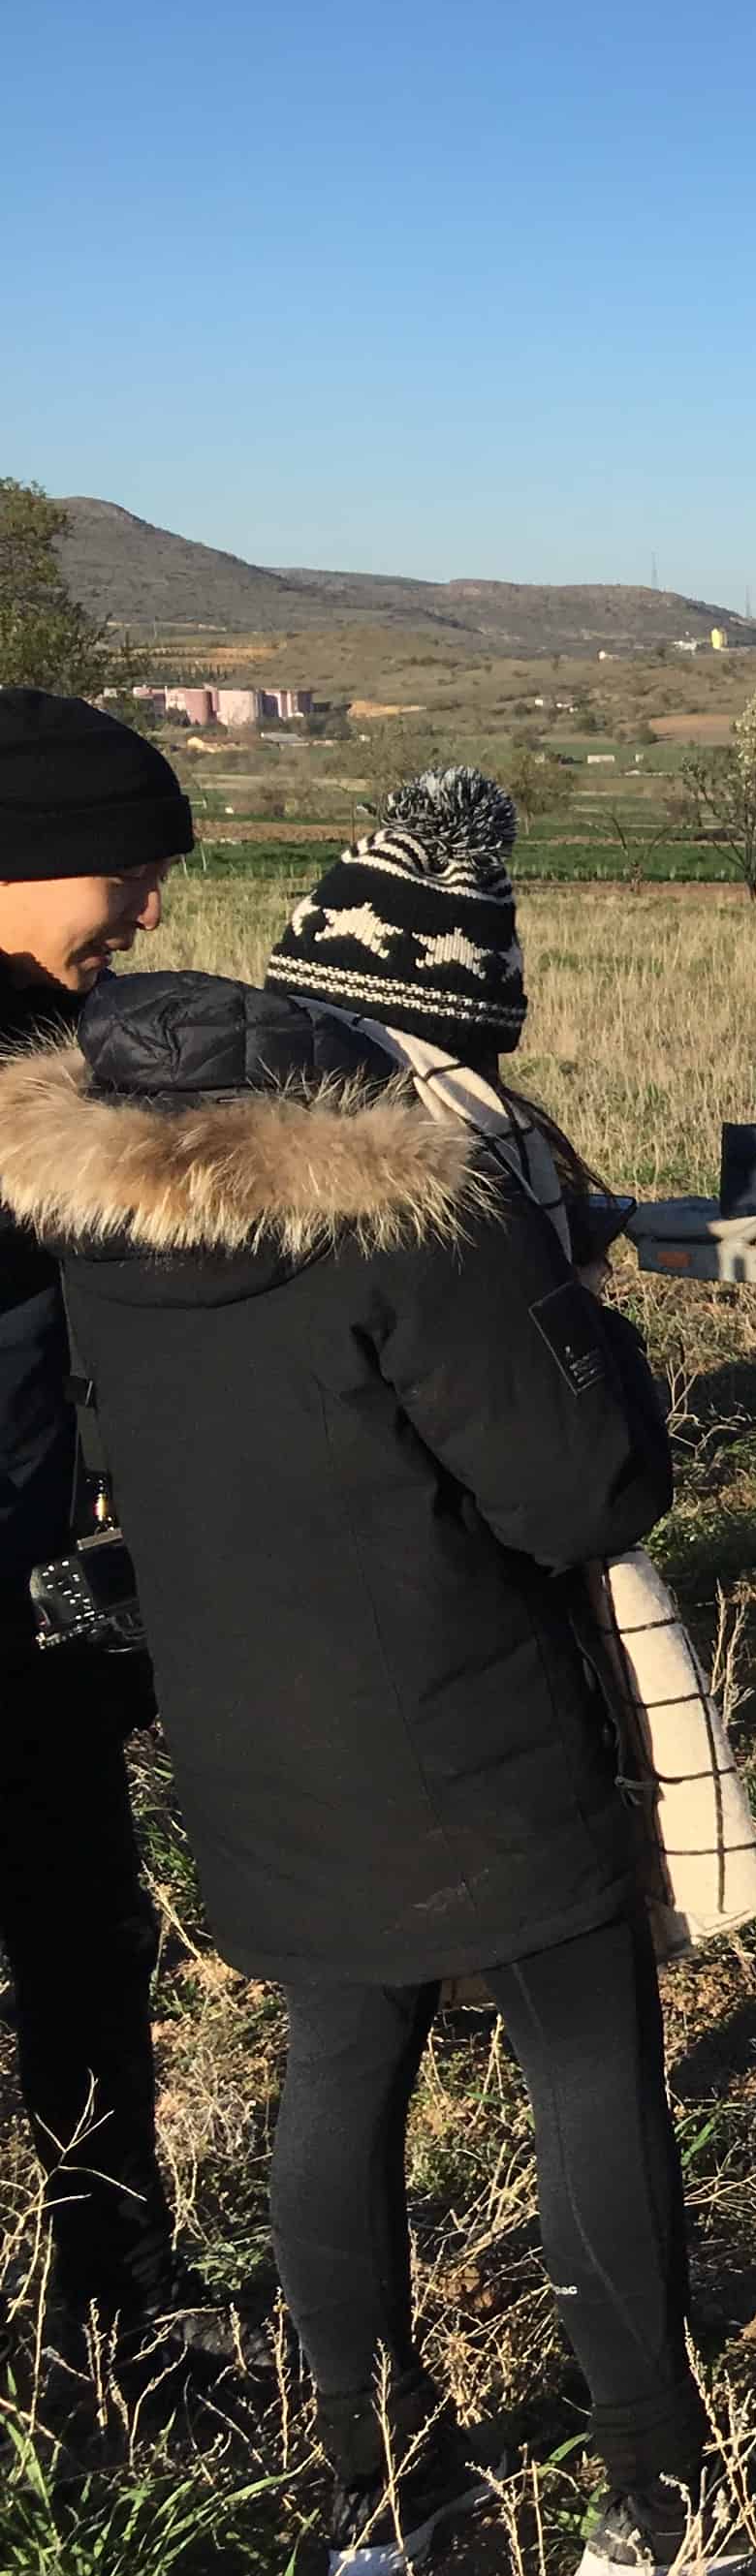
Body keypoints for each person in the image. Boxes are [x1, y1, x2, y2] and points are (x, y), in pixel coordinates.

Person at [0, 873, 729, 2576]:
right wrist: (595, 1343)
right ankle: (652, 2485)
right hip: (474, 1728)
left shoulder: (97, 1246)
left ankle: (377, 2493)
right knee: (589, 2082)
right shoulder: (412, 1225)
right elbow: (581, 1491)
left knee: (333, 2083)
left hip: (247, 1742)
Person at [0, 687, 218, 2383]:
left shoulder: (75, 1040)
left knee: (87, 1948)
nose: (149, 902)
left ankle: (122, 2299)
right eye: (131, 868)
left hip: (53, 1599)